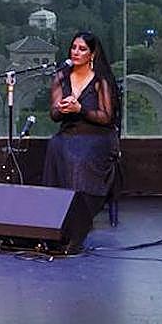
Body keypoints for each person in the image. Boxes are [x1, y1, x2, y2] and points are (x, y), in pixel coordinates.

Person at [41, 31, 122, 224]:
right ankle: (57, 209)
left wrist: (81, 109)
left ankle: (81, 211)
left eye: (82, 49)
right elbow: (53, 116)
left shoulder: (101, 80)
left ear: (92, 54)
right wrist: (61, 109)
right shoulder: (61, 76)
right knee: (56, 145)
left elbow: (107, 118)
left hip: (98, 135)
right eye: (74, 48)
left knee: (79, 153)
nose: (76, 52)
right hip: (70, 133)